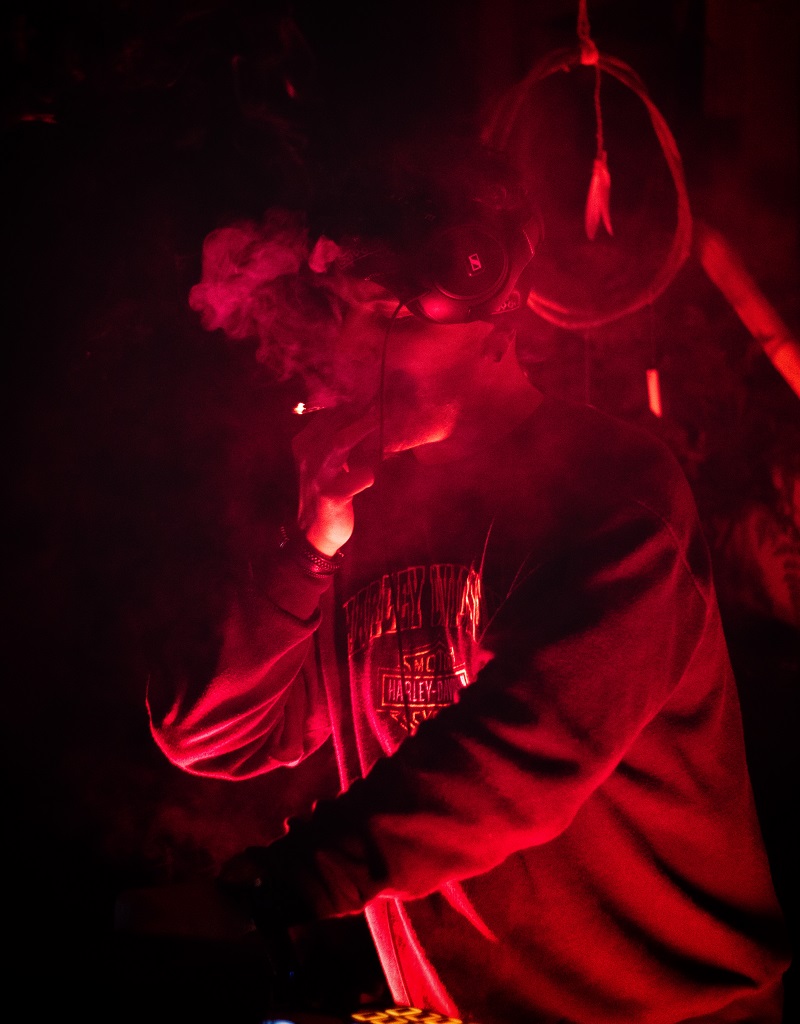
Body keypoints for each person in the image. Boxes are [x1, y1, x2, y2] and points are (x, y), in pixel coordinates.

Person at [146, 135, 791, 1023]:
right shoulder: (358, 510)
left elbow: (527, 752)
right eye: (345, 314)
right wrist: (309, 548)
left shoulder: (611, 490)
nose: (355, 349)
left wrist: (290, 880)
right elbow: (213, 736)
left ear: (496, 318)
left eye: (391, 319)